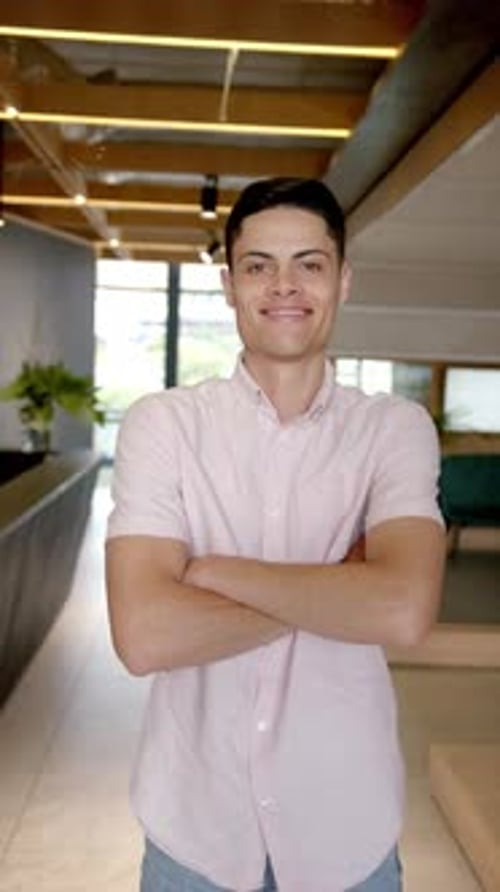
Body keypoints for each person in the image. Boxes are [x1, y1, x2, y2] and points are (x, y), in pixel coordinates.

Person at [105, 178, 445, 892]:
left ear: (343, 279)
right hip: (193, 833)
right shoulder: (164, 425)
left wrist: (211, 572)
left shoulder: (392, 431)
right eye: (259, 265)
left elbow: (402, 611)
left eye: (309, 264)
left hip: (346, 832)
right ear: (229, 284)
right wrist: (336, 584)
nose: (283, 286)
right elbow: (144, 636)